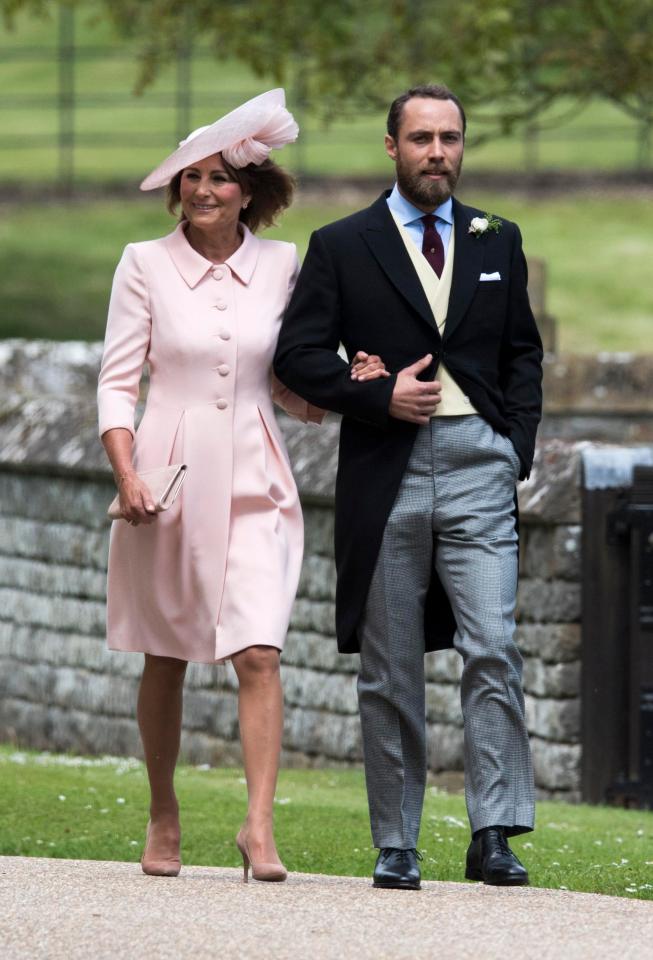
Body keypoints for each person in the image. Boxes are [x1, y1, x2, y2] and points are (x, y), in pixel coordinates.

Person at [97, 89, 385, 882]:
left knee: (258, 649)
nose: (202, 191)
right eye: (190, 178)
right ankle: (163, 813)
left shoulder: (282, 267)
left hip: (258, 474)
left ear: (249, 191)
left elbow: (290, 381)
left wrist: (348, 382)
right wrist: (128, 475)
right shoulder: (142, 264)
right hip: (168, 474)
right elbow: (118, 383)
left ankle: (258, 828)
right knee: (166, 653)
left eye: (219, 178)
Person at [274, 84, 543, 890]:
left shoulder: (498, 237)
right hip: (385, 469)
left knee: (492, 646)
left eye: (450, 138)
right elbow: (297, 356)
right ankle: (397, 841)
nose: (437, 152)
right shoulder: (342, 243)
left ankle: (494, 831)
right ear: (390, 146)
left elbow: (522, 354)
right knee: (390, 665)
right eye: (421, 137)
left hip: (478, 465)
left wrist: (512, 446)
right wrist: (375, 394)